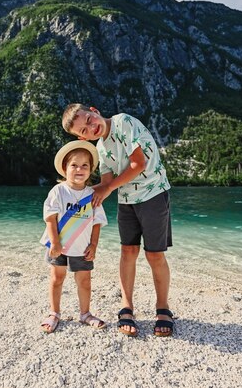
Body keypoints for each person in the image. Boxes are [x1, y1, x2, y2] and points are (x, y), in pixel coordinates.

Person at [62, 103, 174, 337]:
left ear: (95, 110)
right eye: (83, 131)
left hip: (153, 193)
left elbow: (138, 164)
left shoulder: (123, 121)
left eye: (89, 120)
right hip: (126, 200)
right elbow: (105, 183)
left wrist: (108, 189)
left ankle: (163, 309)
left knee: (154, 254)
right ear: (81, 138)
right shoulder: (102, 147)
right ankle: (127, 308)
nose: (90, 128)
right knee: (128, 251)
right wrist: (73, 192)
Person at [40, 140, 108, 334]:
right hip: (58, 245)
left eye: (84, 165)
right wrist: (54, 242)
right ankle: (54, 313)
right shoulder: (58, 191)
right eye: (74, 165)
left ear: (90, 170)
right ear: (65, 168)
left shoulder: (92, 195)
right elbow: (50, 219)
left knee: (85, 281)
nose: (79, 169)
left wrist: (94, 245)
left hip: (82, 247)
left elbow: (97, 222)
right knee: (56, 278)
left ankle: (85, 314)